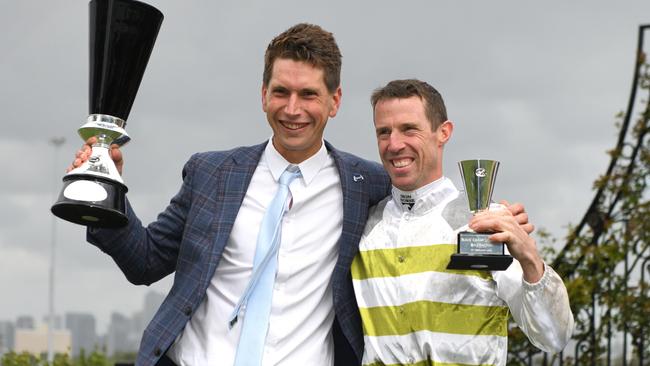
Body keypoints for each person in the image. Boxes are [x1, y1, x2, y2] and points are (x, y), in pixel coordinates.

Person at [69, 25, 531, 366]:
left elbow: (424, 197)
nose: (293, 109)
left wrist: (493, 217)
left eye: (309, 94)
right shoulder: (210, 172)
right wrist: (104, 196)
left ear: (334, 101)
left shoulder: (366, 185)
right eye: (281, 92)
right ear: (263, 94)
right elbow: (144, 262)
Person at [350, 79, 574, 366]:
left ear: (443, 132)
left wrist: (530, 258)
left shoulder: (486, 221)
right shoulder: (362, 226)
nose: (394, 144)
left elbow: (553, 337)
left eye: (409, 129)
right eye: (384, 132)